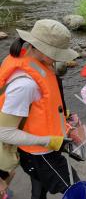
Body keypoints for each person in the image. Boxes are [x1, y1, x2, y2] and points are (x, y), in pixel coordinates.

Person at [0, 19, 80, 199]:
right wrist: (49, 141)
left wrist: (66, 121)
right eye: (56, 53)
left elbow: (40, 110)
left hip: (39, 150)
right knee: (78, 191)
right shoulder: (24, 85)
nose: (60, 58)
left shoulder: (34, 59)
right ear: (40, 48)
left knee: (39, 187)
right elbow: (4, 133)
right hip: (39, 154)